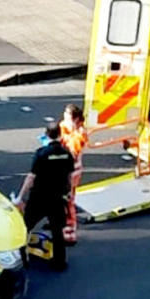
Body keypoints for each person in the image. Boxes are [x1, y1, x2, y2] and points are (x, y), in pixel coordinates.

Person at [15, 121, 75, 271]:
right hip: (57, 198)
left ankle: (20, 258)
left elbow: (31, 177)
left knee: (25, 226)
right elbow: (69, 176)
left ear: (47, 135)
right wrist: (69, 193)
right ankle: (59, 262)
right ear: (60, 135)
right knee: (57, 231)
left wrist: (20, 196)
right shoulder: (67, 154)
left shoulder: (41, 153)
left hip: (39, 197)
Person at [59, 104, 88, 244]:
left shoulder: (80, 135)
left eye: (68, 117)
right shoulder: (65, 127)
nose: (65, 119)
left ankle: (70, 231)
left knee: (68, 199)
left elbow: (73, 153)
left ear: (76, 120)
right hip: (62, 169)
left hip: (72, 171)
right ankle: (60, 223)